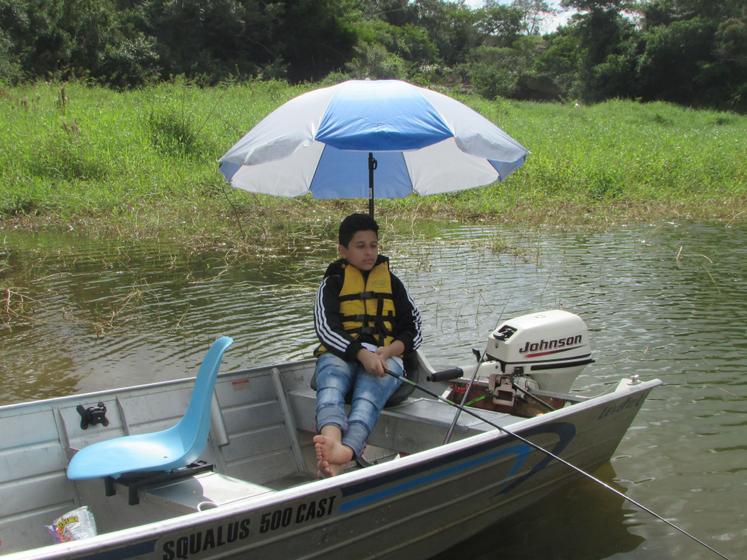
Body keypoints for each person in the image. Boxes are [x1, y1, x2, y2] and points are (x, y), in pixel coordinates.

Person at [313, 213, 422, 477]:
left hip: (386, 356)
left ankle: (346, 451)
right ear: (343, 250)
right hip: (342, 353)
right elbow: (326, 329)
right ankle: (332, 439)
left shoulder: (393, 284)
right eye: (360, 246)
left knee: (368, 394)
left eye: (373, 245)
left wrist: (389, 351)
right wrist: (361, 354)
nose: (369, 252)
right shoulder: (332, 283)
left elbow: (414, 330)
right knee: (332, 381)